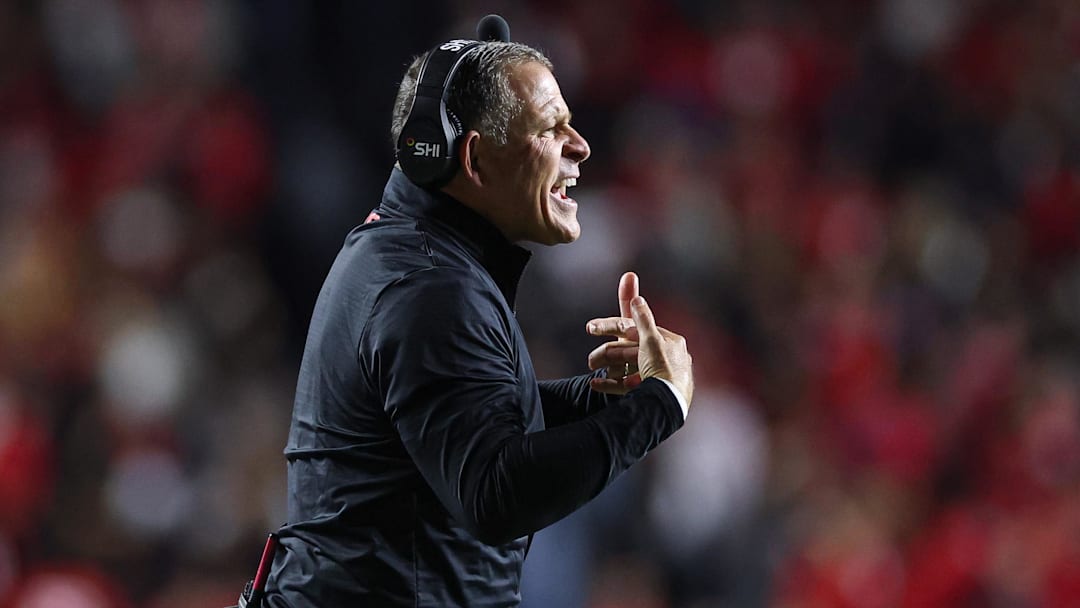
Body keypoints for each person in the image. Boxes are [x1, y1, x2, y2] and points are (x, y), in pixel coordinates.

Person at [260, 36, 694, 608]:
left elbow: (455, 420)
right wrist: (660, 405)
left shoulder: (411, 256)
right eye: (549, 128)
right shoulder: (432, 288)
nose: (581, 146)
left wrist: (606, 399)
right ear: (473, 158)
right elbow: (494, 493)